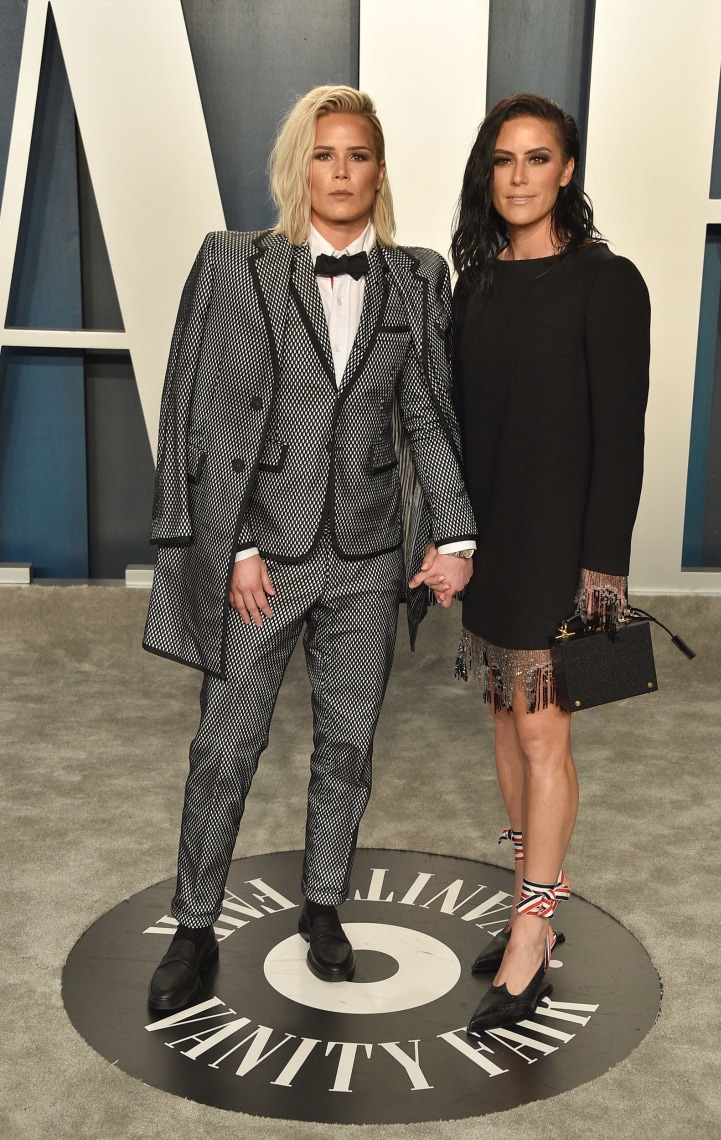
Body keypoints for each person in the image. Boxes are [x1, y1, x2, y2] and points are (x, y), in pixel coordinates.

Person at [142, 85, 476, 1012]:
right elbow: (202, 413)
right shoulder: (235, 264)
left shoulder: (416, 278)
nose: (341, 172)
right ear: (301, 167)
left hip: (369, 558)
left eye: (358, 155)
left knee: (347, 745)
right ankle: (196, 925)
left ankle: (323, 904)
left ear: (378, 168)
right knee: (225, 745)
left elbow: (430, 420)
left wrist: (455, 534)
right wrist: (237, 544)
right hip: (266, 558)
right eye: (324, 155)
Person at [448, 94, 650, 1033]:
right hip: (491, 540)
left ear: (568, 169)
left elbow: (622, 436)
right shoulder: (476, 284)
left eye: (538, 158)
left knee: (542, 738)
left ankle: (531, 934)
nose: (519, 176)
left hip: (559, 546)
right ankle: (538, 899)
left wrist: (600, 573)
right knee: (504, 727)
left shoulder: (608, 283)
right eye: (504, 160)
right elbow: (453, 428)